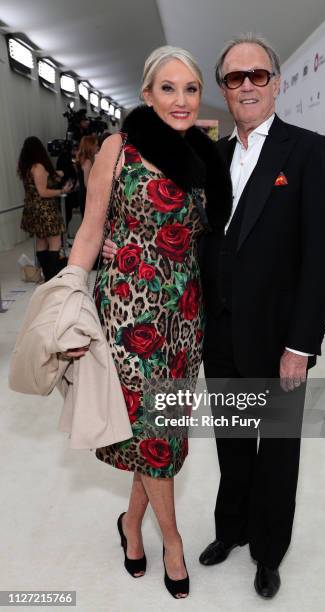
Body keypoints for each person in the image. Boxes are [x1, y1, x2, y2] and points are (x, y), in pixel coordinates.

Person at [63, 46, 231, 599]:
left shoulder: (204, 157)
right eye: (168, 88)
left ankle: (131, 525)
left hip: (184, 315)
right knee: (155, 437)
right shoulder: (118, 148)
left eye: (190, 89)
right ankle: (173, 543)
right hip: (129, 311)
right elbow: (89, 230)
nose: (181, 100)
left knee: (157, 435)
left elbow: (215, 233)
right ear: (146, 93)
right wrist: (70, 294)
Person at [196, 34, 325, 599]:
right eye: (236, 78)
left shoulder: (308, 152)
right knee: (233, 440)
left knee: (276, 447)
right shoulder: (212, 159)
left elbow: (322, 256)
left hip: (281, 337)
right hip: (222, 330)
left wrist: (301, 345)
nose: (248, 85)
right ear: (225, 92)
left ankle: (268, 550)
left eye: (259, 75)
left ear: (277, 83)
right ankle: (231, 529)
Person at [18, 136, 73, 281]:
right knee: (55, 243)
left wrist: (54, 175)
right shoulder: (38, 167)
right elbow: (43, 192)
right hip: (45, 210)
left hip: (33, 210)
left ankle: (48, 277)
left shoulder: (26, 167)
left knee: (41, 242)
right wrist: (62, 191)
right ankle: (52, 277)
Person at [75, 135, 99, 217]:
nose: (98, 147)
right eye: (96, 145)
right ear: (90, 147)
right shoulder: (87, 162)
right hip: (87, 196)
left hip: (83, 194)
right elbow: (87, 183)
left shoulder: (82, 160)